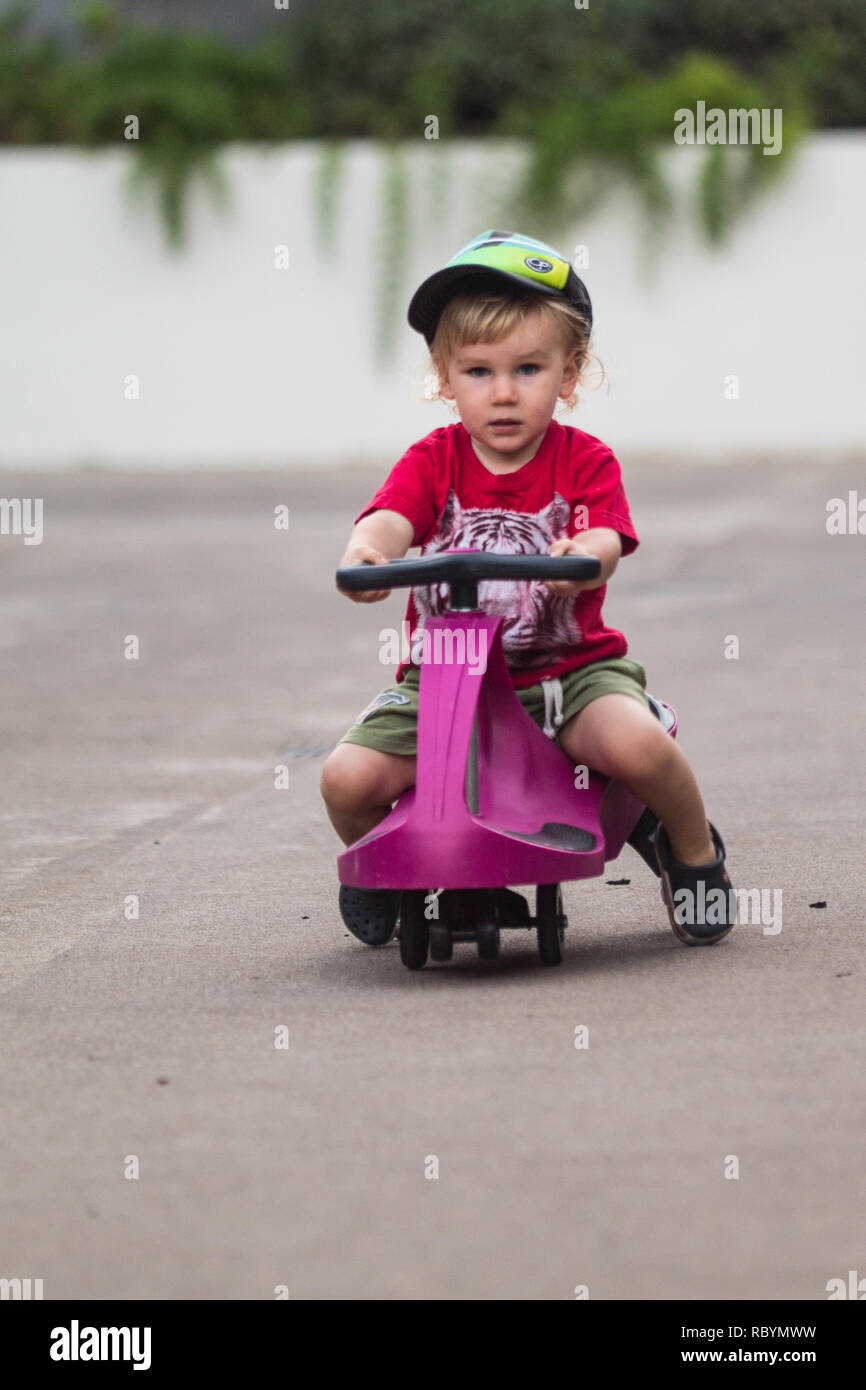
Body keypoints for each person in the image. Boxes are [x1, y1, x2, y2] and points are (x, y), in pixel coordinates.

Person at [320, 230, 735, 948]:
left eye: (529, 368)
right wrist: (369, 551)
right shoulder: (433, 460)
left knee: (640, 747)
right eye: (479, 371)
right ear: (445, 377)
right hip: (445, 680)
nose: (504, 393)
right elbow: (389, 519)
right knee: (346, 779)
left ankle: (692, 851)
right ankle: (382, 868)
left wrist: (588, 551)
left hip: (568, 674)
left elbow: (605, 537)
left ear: (569, 375)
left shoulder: (584, 460)